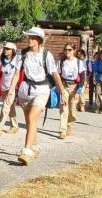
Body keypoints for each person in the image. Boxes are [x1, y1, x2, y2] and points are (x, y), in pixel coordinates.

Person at [16, 27, 66, 165]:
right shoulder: (22, 54)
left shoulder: (46, 55)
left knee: (32, 118)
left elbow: (55, 73)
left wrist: (63, 91)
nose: (30, 39)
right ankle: (35, 146)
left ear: (39, 40)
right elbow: (16, 73)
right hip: (25, 90)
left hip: (42, 90)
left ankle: (26, 151)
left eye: (33, 37)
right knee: (29, 122)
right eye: (29, 37)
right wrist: (10, 91)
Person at [0, 41, 21, 136]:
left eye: (8, 49)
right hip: (3, 86)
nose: (6, 50)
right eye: (5, 48)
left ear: (13, 50)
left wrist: (12, 89)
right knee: (10, 106)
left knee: (5, 106)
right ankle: (15, 126)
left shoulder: (17, 60)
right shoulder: (1, 60)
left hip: (12, 86)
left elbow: (17, 75)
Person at [76, 48, 89, 112]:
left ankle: (82, 105)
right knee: (77, 91)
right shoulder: (75, 61)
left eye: (80, 54)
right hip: (76, 78)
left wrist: (88, 79)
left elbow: (89, 71)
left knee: (81, 91)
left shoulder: (87, 61)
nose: (79, 55)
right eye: (78, 54)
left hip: (84, 78)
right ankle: (78, 104)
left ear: (83, 54)